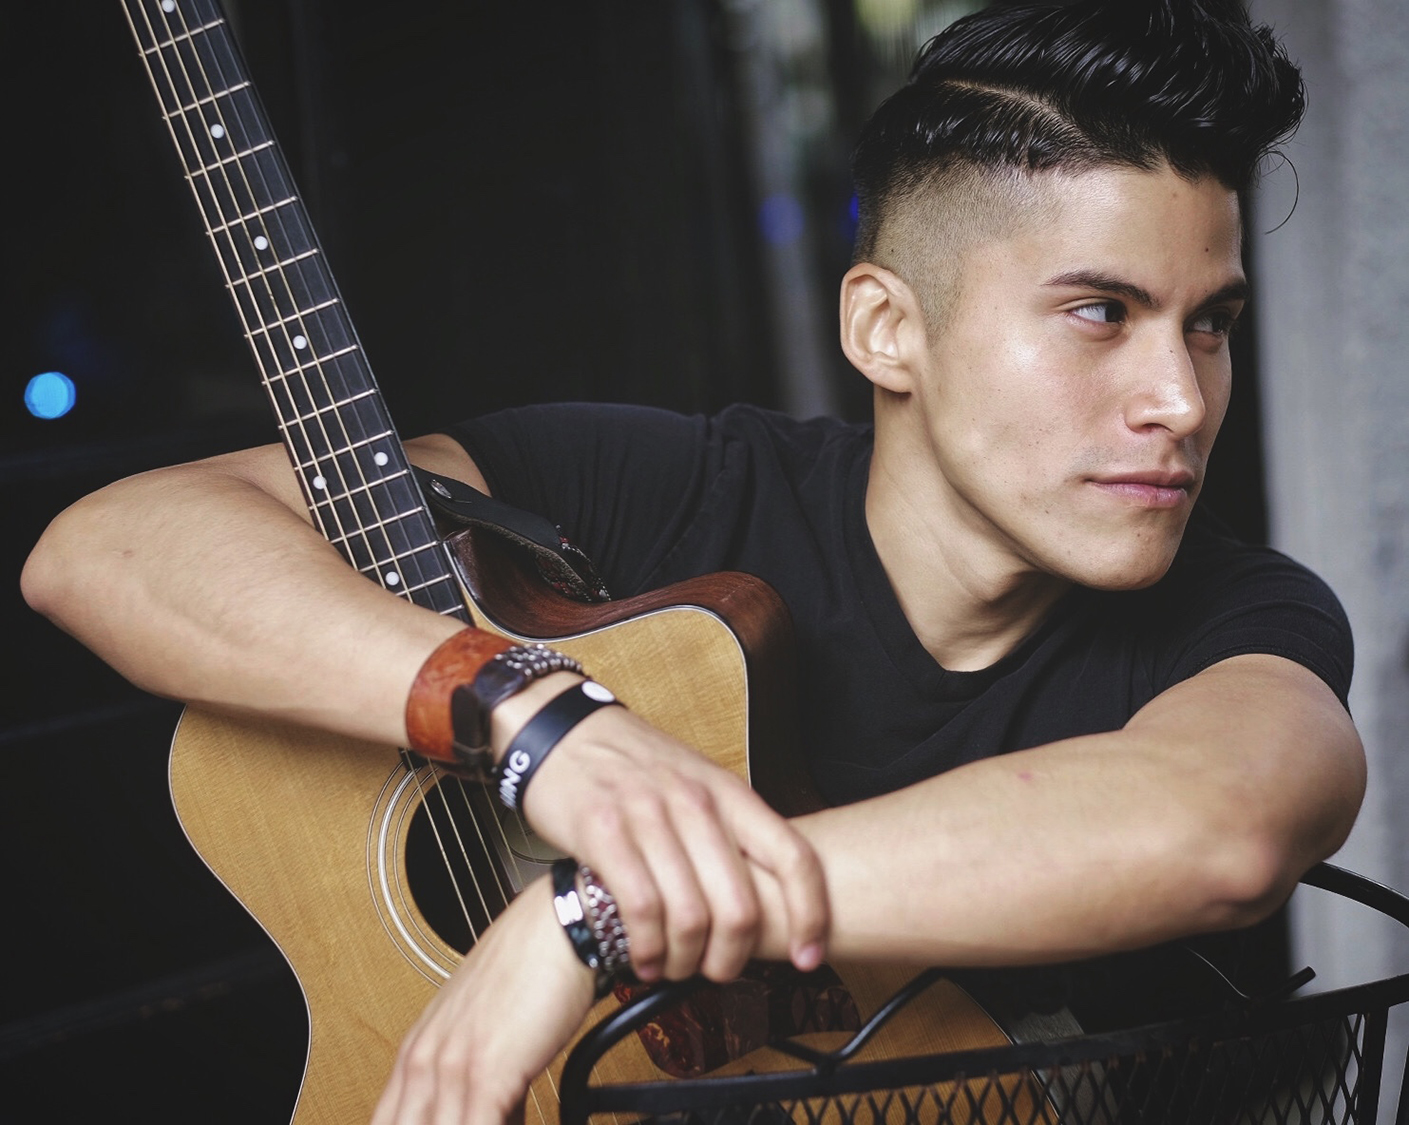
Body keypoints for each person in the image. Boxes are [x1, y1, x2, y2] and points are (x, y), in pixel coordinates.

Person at [21, 0, 1366, 1122]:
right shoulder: (655, 488)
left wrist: (600, 915)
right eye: (1100, 312)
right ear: (887, 330)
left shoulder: (1236, 610)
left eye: (1209, 324)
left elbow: (1224, 824)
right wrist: (534, 717)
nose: (1180, 400)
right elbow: (106, 549)